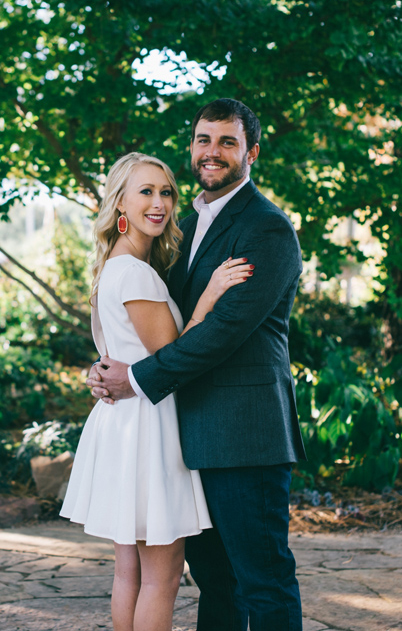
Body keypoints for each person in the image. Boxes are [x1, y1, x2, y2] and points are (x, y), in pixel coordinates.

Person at [87, 98, 307, 631]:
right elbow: (156, 320)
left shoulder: (266, 229)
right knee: (217, 583)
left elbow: (223, 334)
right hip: (186, 436)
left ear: (250, 152)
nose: (212, 152)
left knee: (264, 579)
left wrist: (135, 380)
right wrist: (106, 367)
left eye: (227, 141)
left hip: (243, 434)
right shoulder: (181, 227)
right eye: (203, 140)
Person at [60, 151, 254, 631]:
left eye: (166, 191)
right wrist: (209, 296)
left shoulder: (113, 268)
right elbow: (173, 357)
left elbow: (124, 352)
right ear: (120, 204)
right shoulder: (136, 273)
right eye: (145, 191)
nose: (160, 202)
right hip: (146, 429)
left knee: (130, 572)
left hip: (123, 424)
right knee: (161, 580)